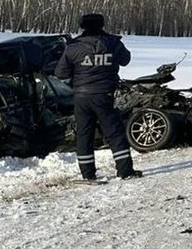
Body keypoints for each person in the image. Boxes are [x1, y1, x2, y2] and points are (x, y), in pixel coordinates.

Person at [54, 13, 142, 180]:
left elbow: (60, 72)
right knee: (114, 132)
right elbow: (126, 60)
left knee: (84, 134)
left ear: (82, 26)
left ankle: (88, 175)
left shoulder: (73, 47)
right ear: (102, 25)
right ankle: (125, 171)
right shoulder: (113, 44)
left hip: (81, 97)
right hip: (104, 95)